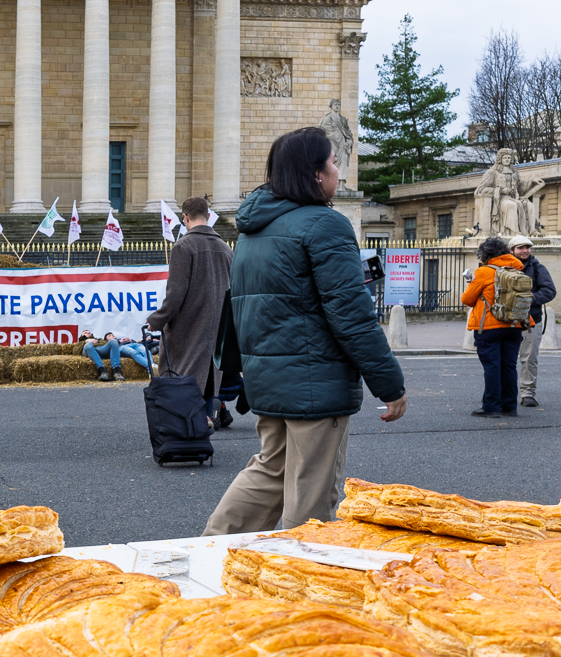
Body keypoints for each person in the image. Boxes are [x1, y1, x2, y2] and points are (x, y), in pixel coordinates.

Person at [203, 127, 406, 535]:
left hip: (268, 375)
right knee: (310, 493)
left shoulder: (252, 230)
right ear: (315, 174)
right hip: (316, 376)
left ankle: (213, 546)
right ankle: (302, 571)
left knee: (269, 470)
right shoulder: (324, 224)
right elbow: (351, 315)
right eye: (333, 162)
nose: (336, 170)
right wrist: (390, 383)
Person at [146, 195, 231, 401]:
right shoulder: (226, 249)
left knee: (183, 385)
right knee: (208, 384)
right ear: (208, 215)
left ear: (185, 218)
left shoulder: (184, 247)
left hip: (189, 330)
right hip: (219, 329)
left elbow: (175, 295)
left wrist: (156, 320)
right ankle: (206, 420)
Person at [463, 237, 527, 417]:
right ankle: (509, 406)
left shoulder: (484, 272)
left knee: (492, 366)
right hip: (514, 324)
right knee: (509, 366)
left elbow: (467, 300)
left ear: (485, 254)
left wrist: (472, 285)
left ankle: (491, 406)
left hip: (489, 326)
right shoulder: (517, 269)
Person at [507, 235, 555, 408]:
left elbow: (550, 291)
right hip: (505, 320)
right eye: (520, 248)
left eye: (527, 247)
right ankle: (505, 394)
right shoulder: (502, 267)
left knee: (529, 359)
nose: (525, 250)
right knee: (505, 359)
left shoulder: (537, 268)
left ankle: (528, 393)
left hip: (531, 320)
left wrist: (527, 299)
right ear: (512, 250)